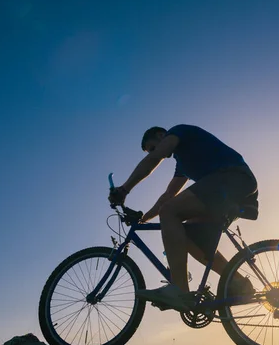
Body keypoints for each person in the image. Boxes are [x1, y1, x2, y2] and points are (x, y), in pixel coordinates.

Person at [108, 124, 257, 312]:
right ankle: (239, 283)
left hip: (233, 178)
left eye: (153, 146)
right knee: (188, 238)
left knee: (170, 212)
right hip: (228, 189)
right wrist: (144, 219)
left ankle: (178, 291)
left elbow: (155, 159)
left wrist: (124, 189)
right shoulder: (182, 165)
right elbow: (167, 196)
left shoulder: (179, 131)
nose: (154, 152)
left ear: (162, 135)